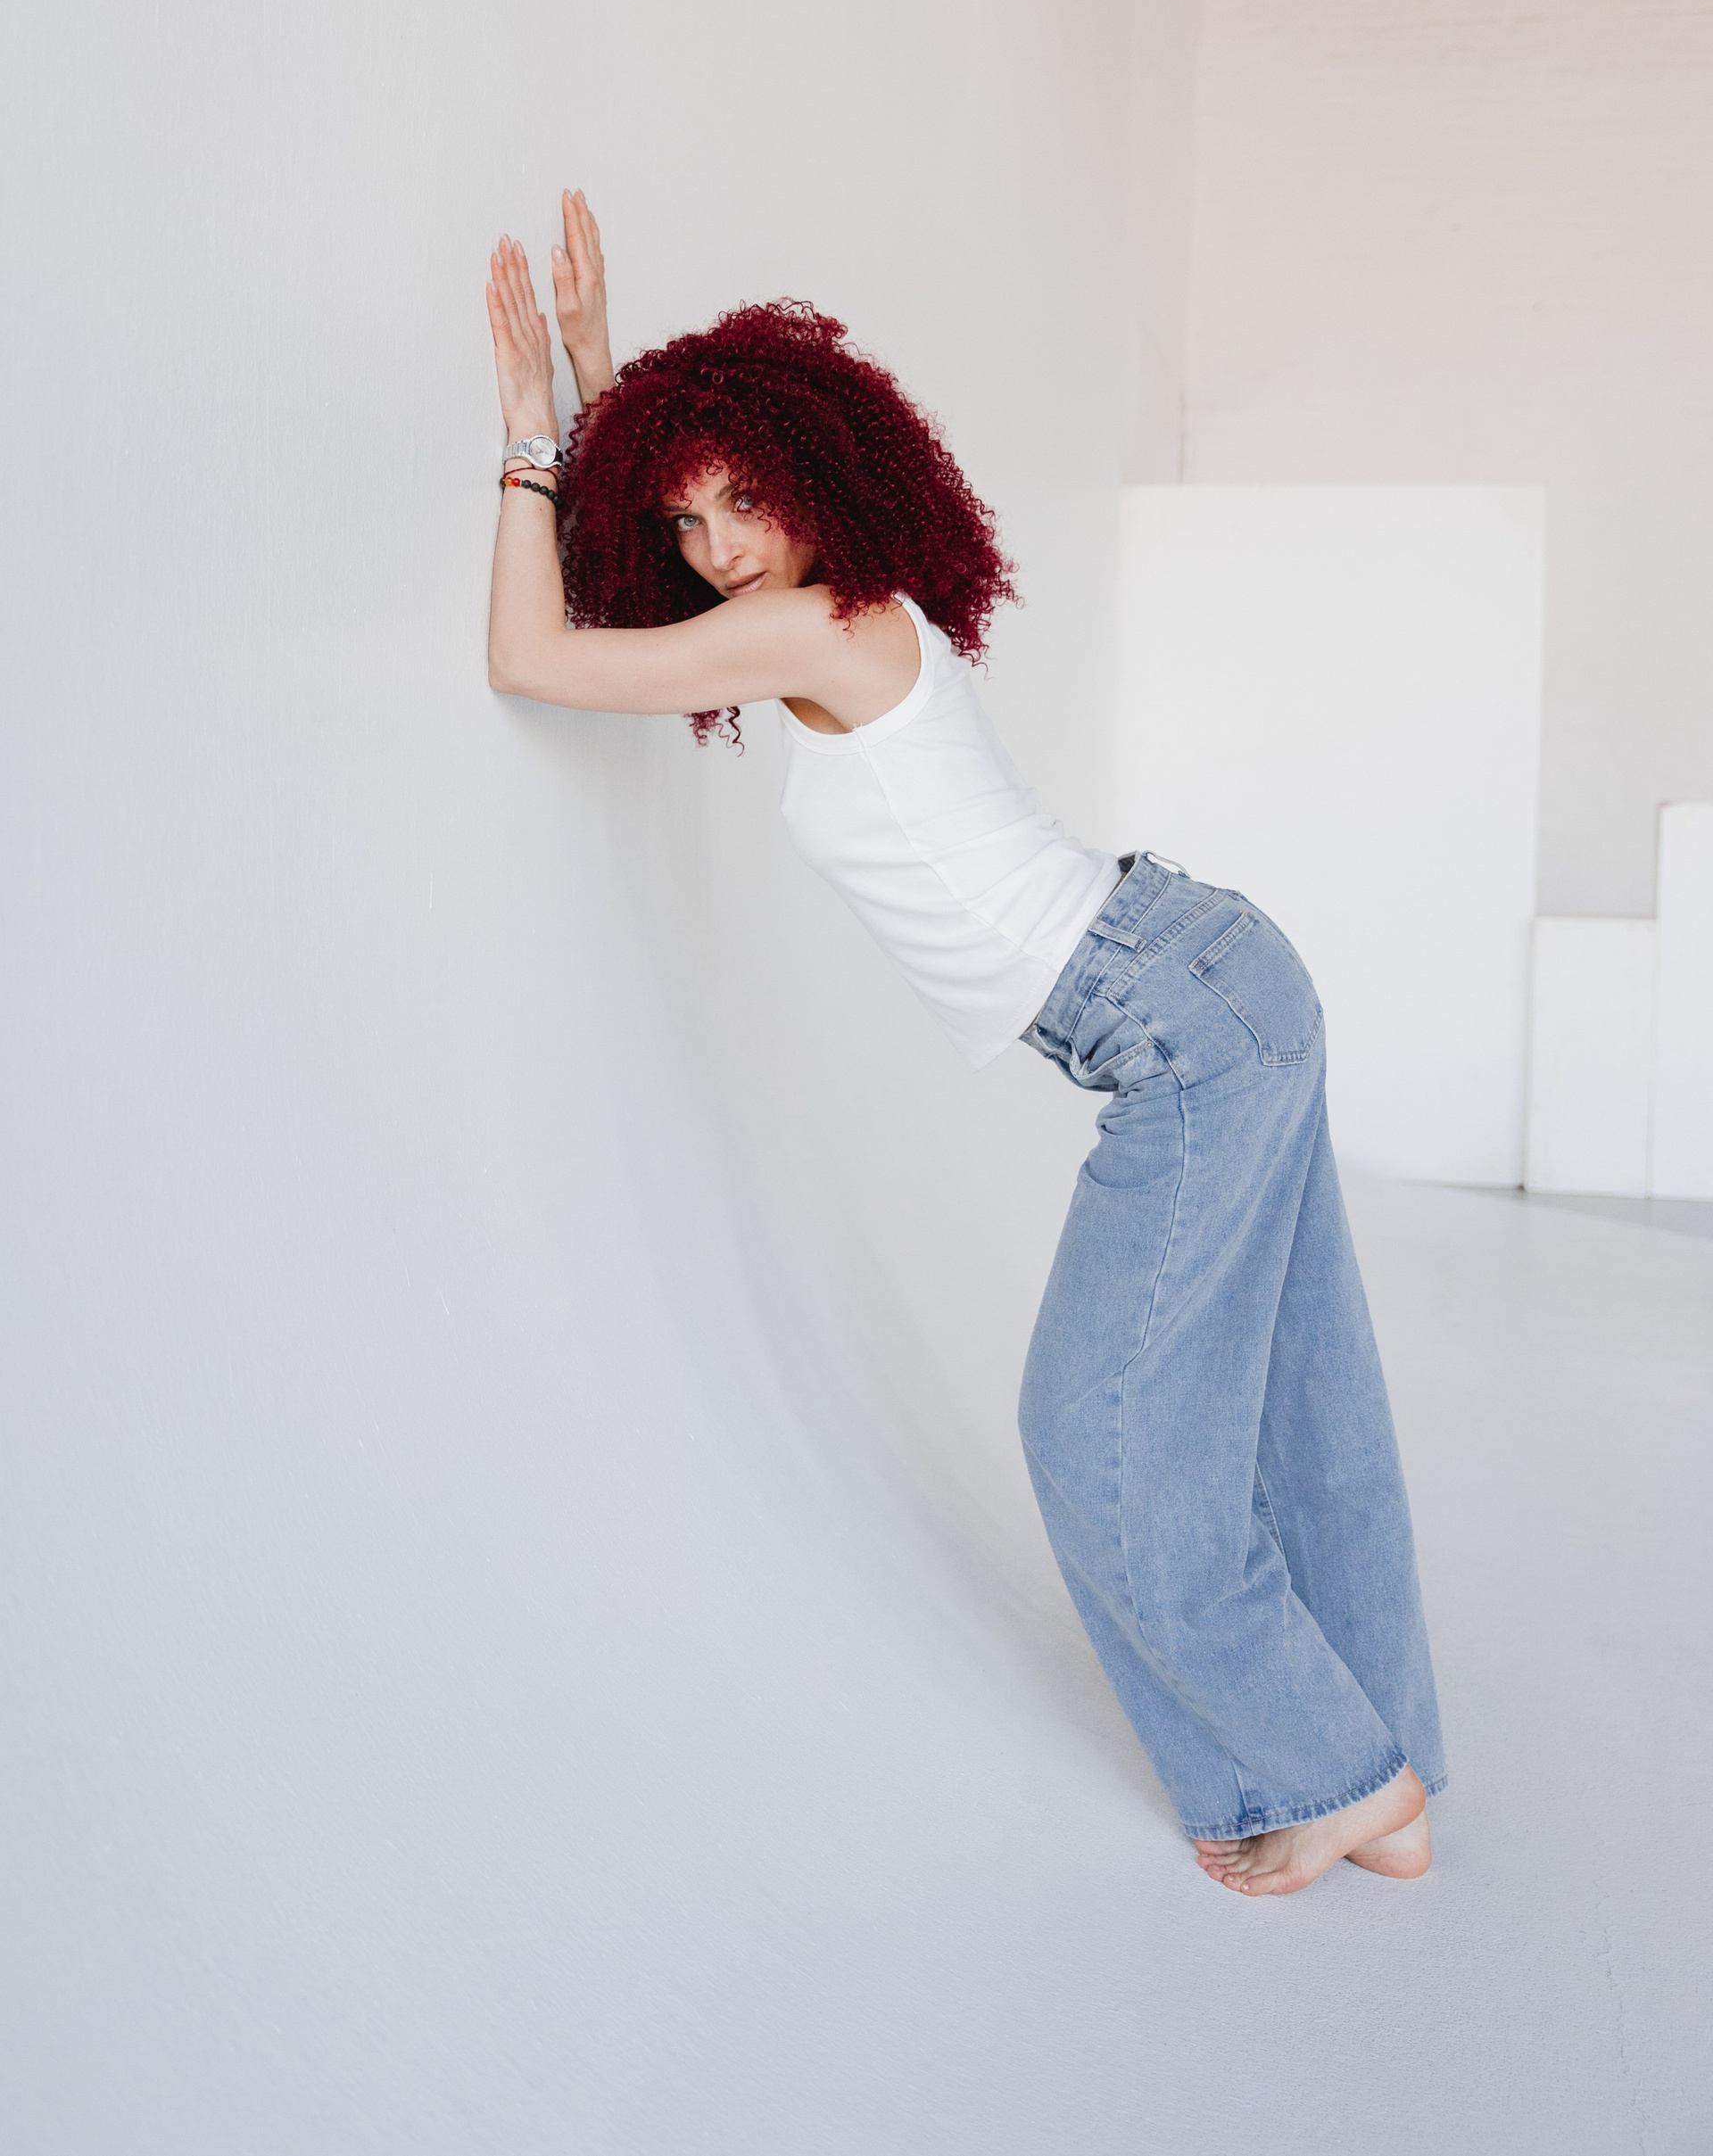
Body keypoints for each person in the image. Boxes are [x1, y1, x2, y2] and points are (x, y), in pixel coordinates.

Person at [484, 194, 1447, 1899]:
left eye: (743, 498)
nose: (715, 546)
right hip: (1205, 977)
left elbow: (531, 654)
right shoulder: (839, 607)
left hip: (1179, 1021)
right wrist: (599, 377)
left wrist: (526, 436)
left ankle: (1335, 1775)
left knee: (1094, 1426)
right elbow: (652, 572)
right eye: (687, 515)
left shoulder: (816, 625)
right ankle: (1384, 1778)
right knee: (1296, 1391)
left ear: (816, 468)